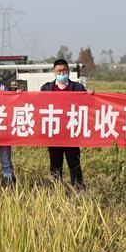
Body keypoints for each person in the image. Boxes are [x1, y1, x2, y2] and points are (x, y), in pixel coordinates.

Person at [40, 58, 87, 186]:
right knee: (55, 163)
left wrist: (91, 96)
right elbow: (38, 106)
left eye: (64, 70)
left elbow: (87, 106)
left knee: (74, 162)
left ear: (69, 71)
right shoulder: (46, 88)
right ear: (54, 72)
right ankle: (57, 190)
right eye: (59, 71)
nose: (62, 73)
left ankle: (78, 188)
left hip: (71, 131)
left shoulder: (78, 88)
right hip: (54, 132)